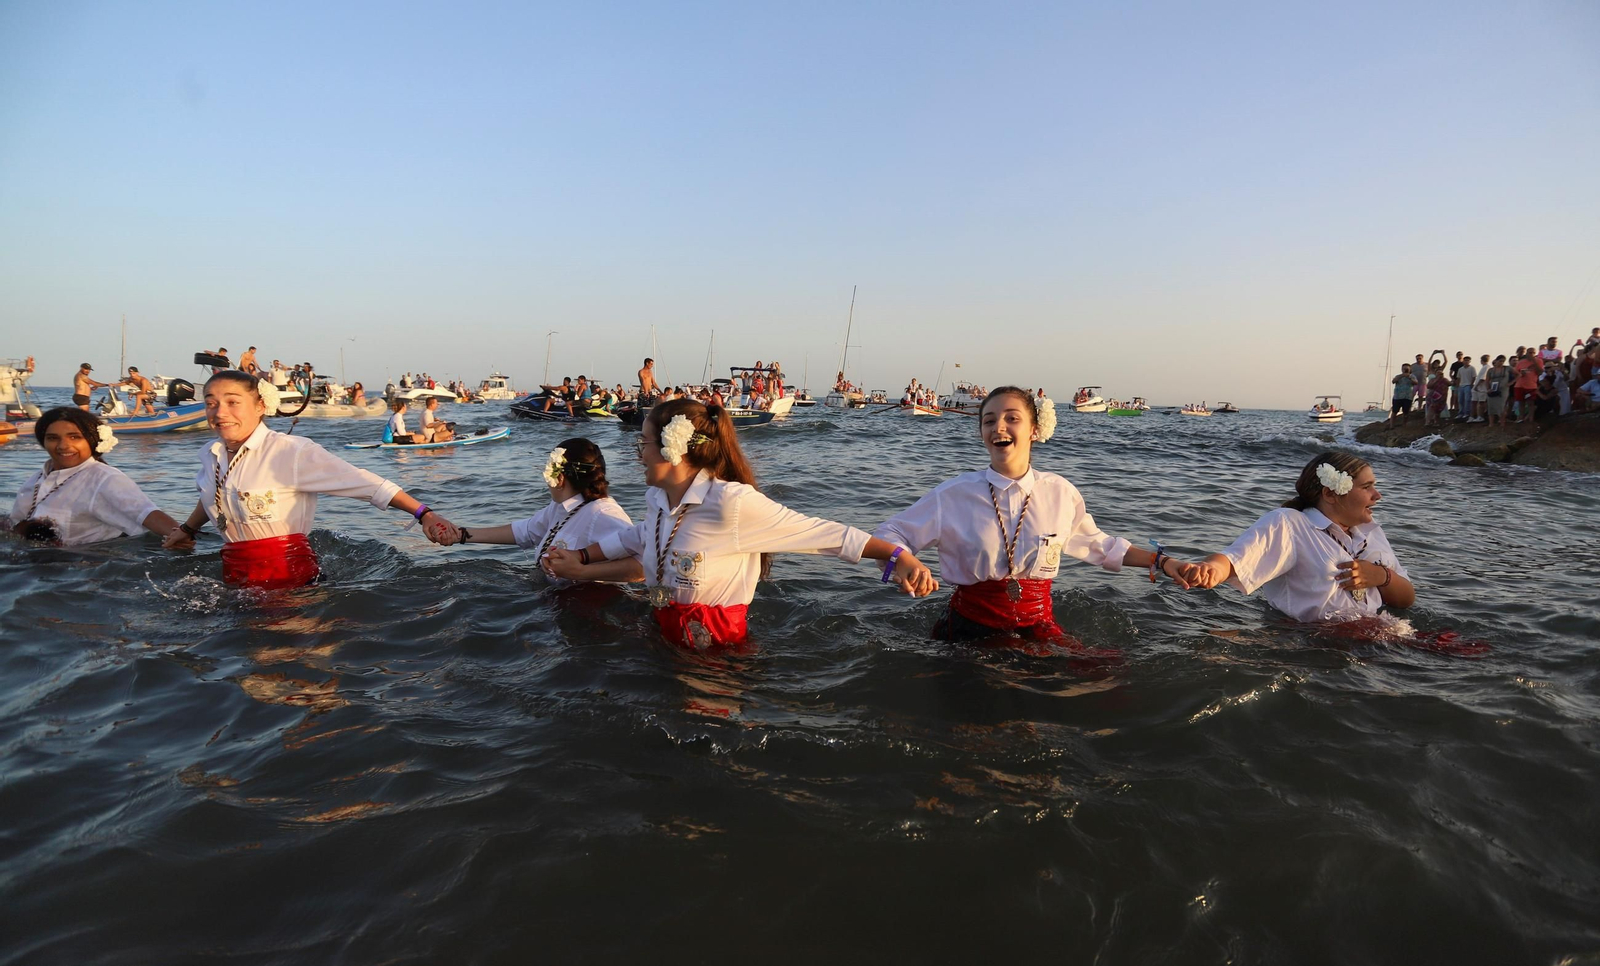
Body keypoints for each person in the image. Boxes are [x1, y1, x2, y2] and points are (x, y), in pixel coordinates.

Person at [544, 398, 936, 647]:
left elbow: (823, 533)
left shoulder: (730, 503)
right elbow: (637, 537)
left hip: (717, 650)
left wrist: (897, 555)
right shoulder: (659, 499)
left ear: (673, 450)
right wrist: (580, 556)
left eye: (643, 445)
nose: (638, 455)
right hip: (661, 630)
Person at [874, 387, 1194, 646]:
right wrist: (905, 562)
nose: (998, 427)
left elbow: (1101, 546)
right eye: (989, 421)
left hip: (1039, 623)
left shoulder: (1059, 492)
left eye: (1011, 418)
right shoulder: (953, 495)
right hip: (970, 630)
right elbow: (889, 533)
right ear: (982, 433)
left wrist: (1164, 563)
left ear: (1033, 430)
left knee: (1107, 681)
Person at [161, 371, 456, 588]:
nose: (220, 412)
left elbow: (367, 484)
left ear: (260, 406)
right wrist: (187, 529)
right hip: (236, 580)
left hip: (293, 583)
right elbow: (214, 496)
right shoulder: (209, 453)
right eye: (211, 403)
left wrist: (424, 514)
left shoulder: (290, 452)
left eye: (232, 402)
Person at [1178, 452, 1416, 622]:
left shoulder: (1371, 533)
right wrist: (1209, 569)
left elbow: (1406, 600)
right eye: (1367, 487)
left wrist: (1382, 576)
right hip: (1315, 646)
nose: (1378, 495)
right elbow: (1235, 561)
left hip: (1374, 641)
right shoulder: (1291, 524)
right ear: (1330, 494)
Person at [451, 438, 639, 585]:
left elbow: (645, 565)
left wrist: (582, 572)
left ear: (560, 478)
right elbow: (525, 531)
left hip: (587, 610)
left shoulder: (603, 514)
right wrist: (460, 535)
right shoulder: (561, 507)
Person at [8, 408, 185, 547]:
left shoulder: (105, 479)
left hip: (85, 569)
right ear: (43, 441)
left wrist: (182, 539)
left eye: (74, 437)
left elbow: (147, 514)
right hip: (36, 567)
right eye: (53, 438)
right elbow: (14, 528)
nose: (63, 446)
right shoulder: (35, 480)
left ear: (92, 440)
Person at [1512, 349, 1542, 422]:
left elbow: (1540, 372)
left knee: (1531, 403)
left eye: (1533, 353)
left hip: (1531, 385)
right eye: (1530, 353)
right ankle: (1521, 418)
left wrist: (1534, 362)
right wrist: (1521, 374)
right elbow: (1515, 373)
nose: (1531, 354)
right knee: (1521, 402)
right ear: (1527, 353)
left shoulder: (1539, 361)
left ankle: (1530, 419)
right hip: (1520, 385)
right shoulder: (1521, 362)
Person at [1453, 354, 1475, 422]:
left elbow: (1474, 377)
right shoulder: (1460, 369)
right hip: (1461, 385)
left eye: (1467, 360)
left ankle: (1466, 413)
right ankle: (1461, 413)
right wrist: (1458, 385)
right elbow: (1458, 378)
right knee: (1460, 400)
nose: (1466, 362)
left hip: (1468, 385)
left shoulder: (1472, 368)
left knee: (1467, 399)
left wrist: (1471, 384)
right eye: (1465, 360)